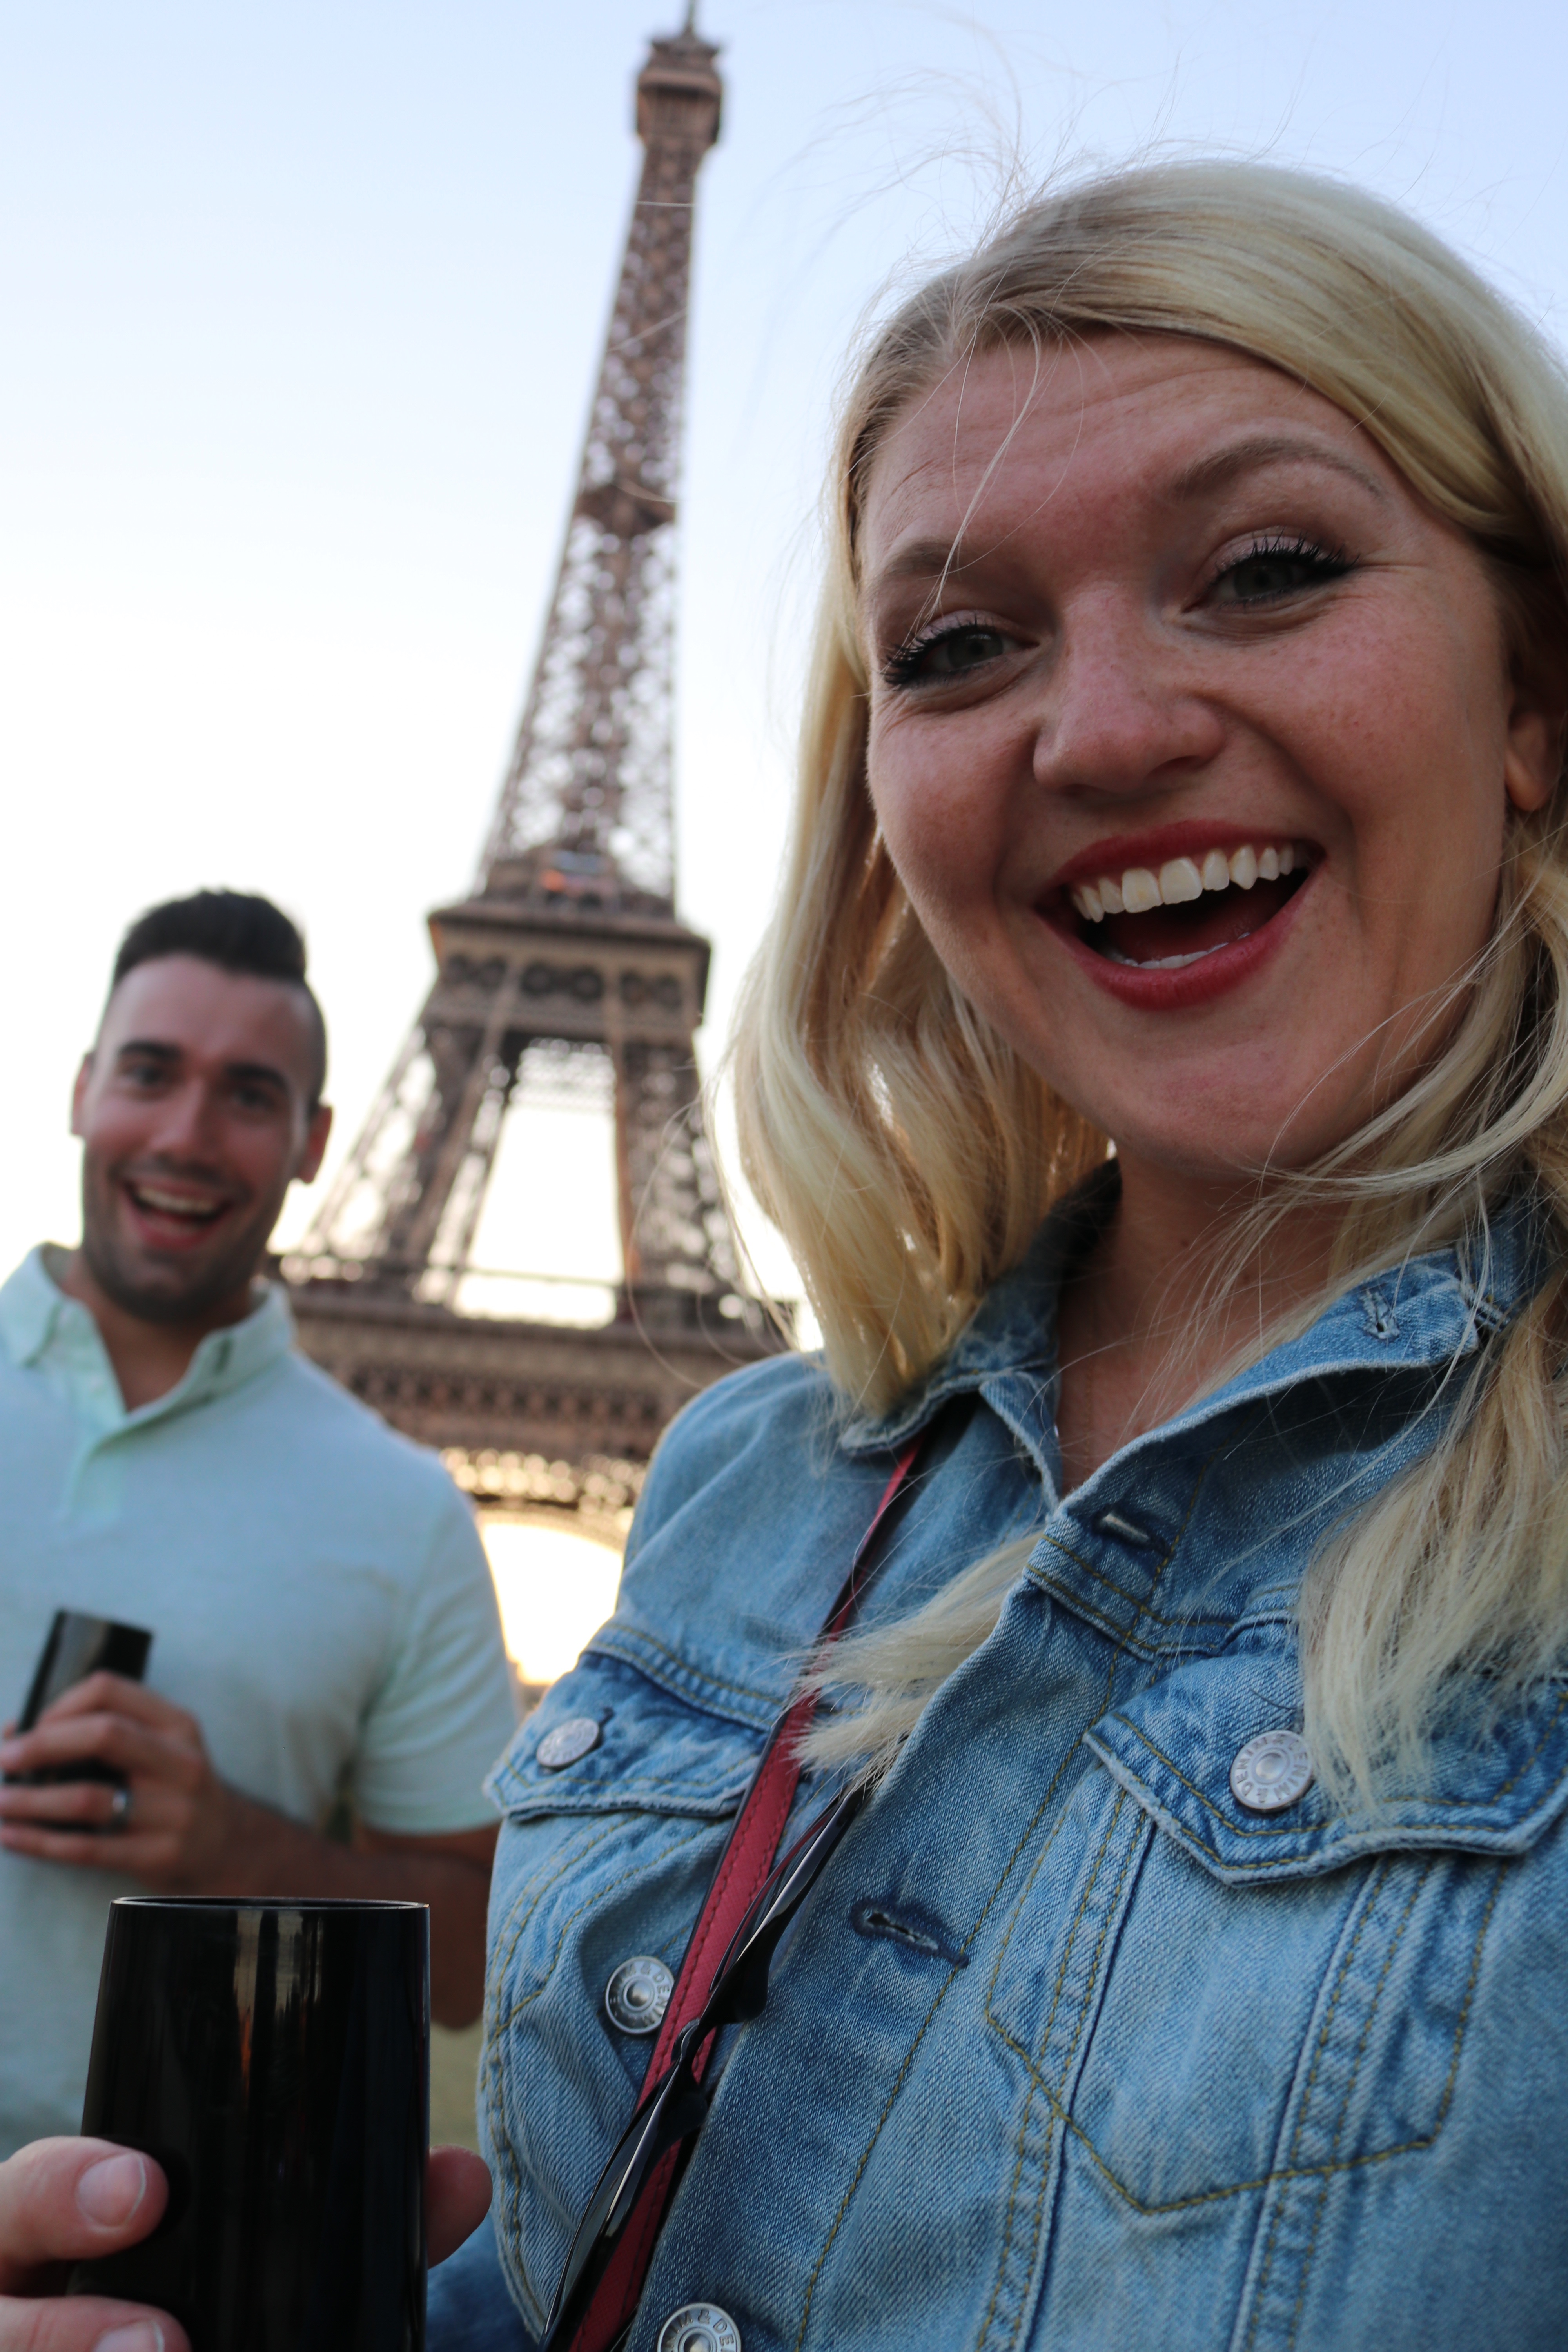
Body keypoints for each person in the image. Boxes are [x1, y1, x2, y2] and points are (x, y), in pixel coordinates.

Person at [10, 157, 1568, 2350]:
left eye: (1269, 568)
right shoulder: (757, 1491)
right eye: (955, 646)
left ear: (1535, 688)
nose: (1105, 728)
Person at [0, 890, 518, 2163]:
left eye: (246, 1094)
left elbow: (467, 1958)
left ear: (313, 1140)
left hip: (154, 2230)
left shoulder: (404, 1513)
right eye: (149, 1073)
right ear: (81, 1089)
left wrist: (232, 1843)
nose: (185, 1136)